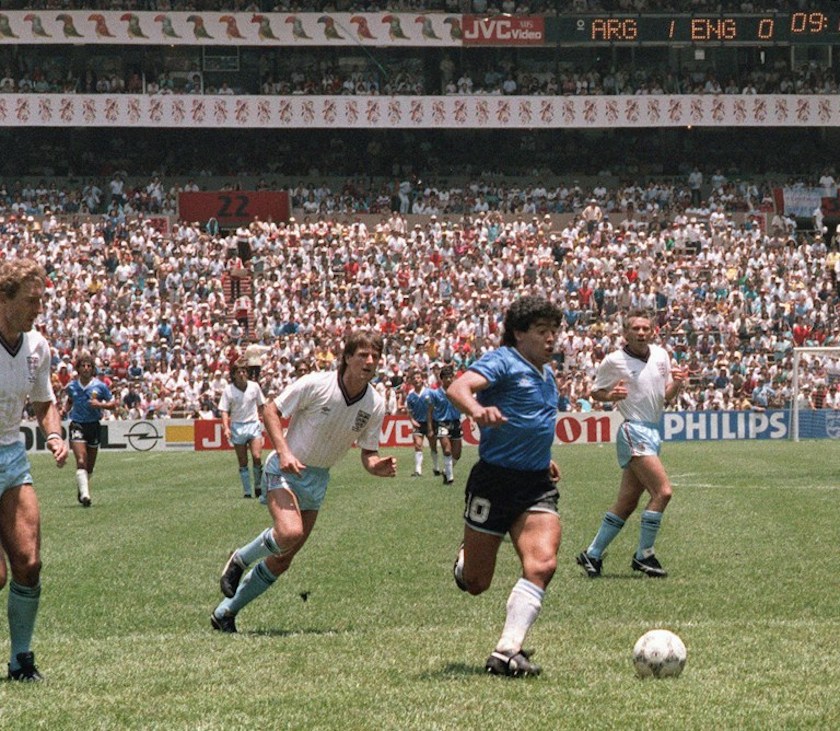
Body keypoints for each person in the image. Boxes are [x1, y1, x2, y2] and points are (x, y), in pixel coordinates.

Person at [211, 331, 397, 633]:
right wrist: (284, 451)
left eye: (375, 356)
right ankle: (240, 559)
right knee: (290, 532)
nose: (370, 361)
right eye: (363, 355)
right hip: (285, 469)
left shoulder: (375, 403)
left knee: (283, 559)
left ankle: (225, 613)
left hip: (318, 479)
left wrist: (376, 466)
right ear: (347, 357)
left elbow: (368, 452)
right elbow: (270, 410)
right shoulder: (316, 383)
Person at [447, 296, 563, 678]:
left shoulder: (547, 374)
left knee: (542, 563)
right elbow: (458, 388)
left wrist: (543, 456)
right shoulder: (503, 361)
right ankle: (465, 560)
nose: (551, 338)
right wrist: (477, 410)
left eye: (554, 331)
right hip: (494, 481)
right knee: (476, 583)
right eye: (542, 331)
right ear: (519, 334)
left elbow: (534, 423)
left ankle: (507, 651)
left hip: (535, 483)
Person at [576, 310, 687, 580]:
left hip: (652, 430)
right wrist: (610, 396)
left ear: (653, 331)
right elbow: (596, 392)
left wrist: (678, 383)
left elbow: (666, 397)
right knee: (663, 492)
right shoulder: (614, 360)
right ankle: (644, 554)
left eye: (645, 328)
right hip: (633, 430)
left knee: (626, 503)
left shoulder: (661, 355)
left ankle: (592, 554)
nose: (641, 333)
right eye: (635, 328)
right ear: (626, 333)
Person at [0, 258, 68, 681]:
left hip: (12, 455)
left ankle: (20, 659)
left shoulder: (38, 346)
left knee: (28, 563)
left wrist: (54, 435)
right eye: (30, 300)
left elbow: (44, 402)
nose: (38, 309)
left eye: (41, 300)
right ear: (4, 299)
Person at [64, 352, 117, 507]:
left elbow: (113, 404)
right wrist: (64, 409)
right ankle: (86, 496)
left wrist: (100, 405)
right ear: (78, 369)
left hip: (93, 425)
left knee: (90, 466)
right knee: (81, 460)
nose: (86, 368)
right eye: (83, 366)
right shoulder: (72, 386)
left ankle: (82, 488)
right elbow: (70, 400)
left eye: (89, 366)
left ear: (92, 369)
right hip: (77, 424)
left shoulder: (100, 386)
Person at [218, 358, 266, 499]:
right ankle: (247, 491)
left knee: (257, 456)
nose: (241, 374)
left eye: (244, 371)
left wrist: (267, 422)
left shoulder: (254, 387)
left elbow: (261, 405)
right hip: (237, 426)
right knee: (242, 461)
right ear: (233, 374)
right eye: (238, 372)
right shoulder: (228, 390)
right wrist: (226, 428)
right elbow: (224, 410)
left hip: (253, 424)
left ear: (247, 373)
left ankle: (258, 486)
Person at [427, 365, 462, 485]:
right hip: (442, 423)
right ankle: (450, 479)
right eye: (446, 377)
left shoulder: (457, 392)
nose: (448, 379)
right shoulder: (435, 393)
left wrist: (471, 420)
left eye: (450, 377)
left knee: (457, 454)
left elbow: (463, 405)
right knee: (447, 450)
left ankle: (446, 471)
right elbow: (430, 411)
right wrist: (430, 428)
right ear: (442, 379)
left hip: (456, 423)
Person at [404, 369, 439, 477]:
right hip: (418, 424)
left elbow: (436, 407)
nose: (416, 380)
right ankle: (418, 470)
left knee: (433, 446)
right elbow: (409, 411)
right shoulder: (410, 396)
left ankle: (436, 467)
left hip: (430, 423)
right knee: (418, 445)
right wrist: (412, 420)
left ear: (422, 379)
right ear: (411, 381)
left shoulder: (430, 392)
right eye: (414, 378)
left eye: (418, 378)